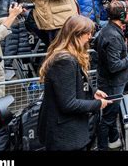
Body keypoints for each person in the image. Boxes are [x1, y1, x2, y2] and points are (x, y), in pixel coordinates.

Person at [37, 15, 112, 151]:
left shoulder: (68, 56)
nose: (90, 37)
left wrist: (93, 91)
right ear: (76, 34)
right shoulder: (64, 61)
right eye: (87, 33)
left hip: (68, 131)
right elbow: (68, 103)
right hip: (64, 134)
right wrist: (98, 104)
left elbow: (71, 84)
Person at [96, 1, 128, 150]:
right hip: (112, 82)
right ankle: (102, 147)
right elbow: (114, 66)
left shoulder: (108, 29)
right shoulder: (113, 36)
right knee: (108, 118)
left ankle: (114, 139)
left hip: (109, 80)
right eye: (127, 13)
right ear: (120, 15)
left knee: (111, 114)